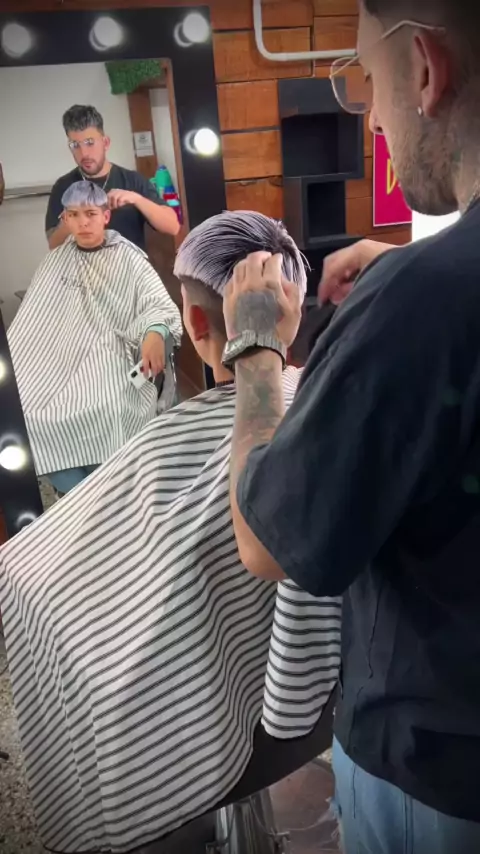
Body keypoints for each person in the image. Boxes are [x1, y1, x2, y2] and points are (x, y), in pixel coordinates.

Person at [0, 211, 341, 854]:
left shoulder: (171, 444)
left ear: (195, 323)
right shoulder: (342, 405)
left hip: (207, 722)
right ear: (294, 311)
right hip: (319, 708)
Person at [223, 4, 480, 853]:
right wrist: (411, 278)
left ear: (427, 70)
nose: (370, 117)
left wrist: (256, 347)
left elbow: (267, 541)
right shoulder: (425, 296)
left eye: (368, 79)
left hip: (440, 785)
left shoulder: (423, 304)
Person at [8, 181, 182, 494]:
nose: (83, 222)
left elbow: (158, 304)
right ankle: (85, 496)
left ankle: (107, 490)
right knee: (24, 413)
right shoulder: (55, 261)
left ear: (105, 216)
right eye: (74, 215)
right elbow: (33, 322)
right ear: (65, 219)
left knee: (107, 405)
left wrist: (155, 332)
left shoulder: (129, 258)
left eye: (90, 213)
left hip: (109, 351)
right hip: (55, 357)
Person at [46, 104, 180, 251]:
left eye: (90, 143)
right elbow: (53, 246)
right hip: (80, 266)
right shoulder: (63, 186)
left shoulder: (133, 180)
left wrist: (137, 199)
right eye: (75, 145)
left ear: (105, 143)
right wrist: (72, 217)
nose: (84, 153)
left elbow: (173, 227)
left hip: (129, 265)